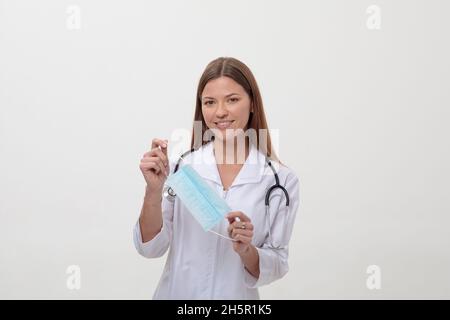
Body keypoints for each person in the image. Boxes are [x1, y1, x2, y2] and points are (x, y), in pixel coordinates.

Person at [133, 57, 300, 299]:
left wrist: (247, 251)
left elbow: (277, 264)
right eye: (210, 102)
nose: (220, 112)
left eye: (232, 100)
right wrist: (153, 191)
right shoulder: (182, 167)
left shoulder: (281, 181)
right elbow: (150, 248)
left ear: (252, 103)